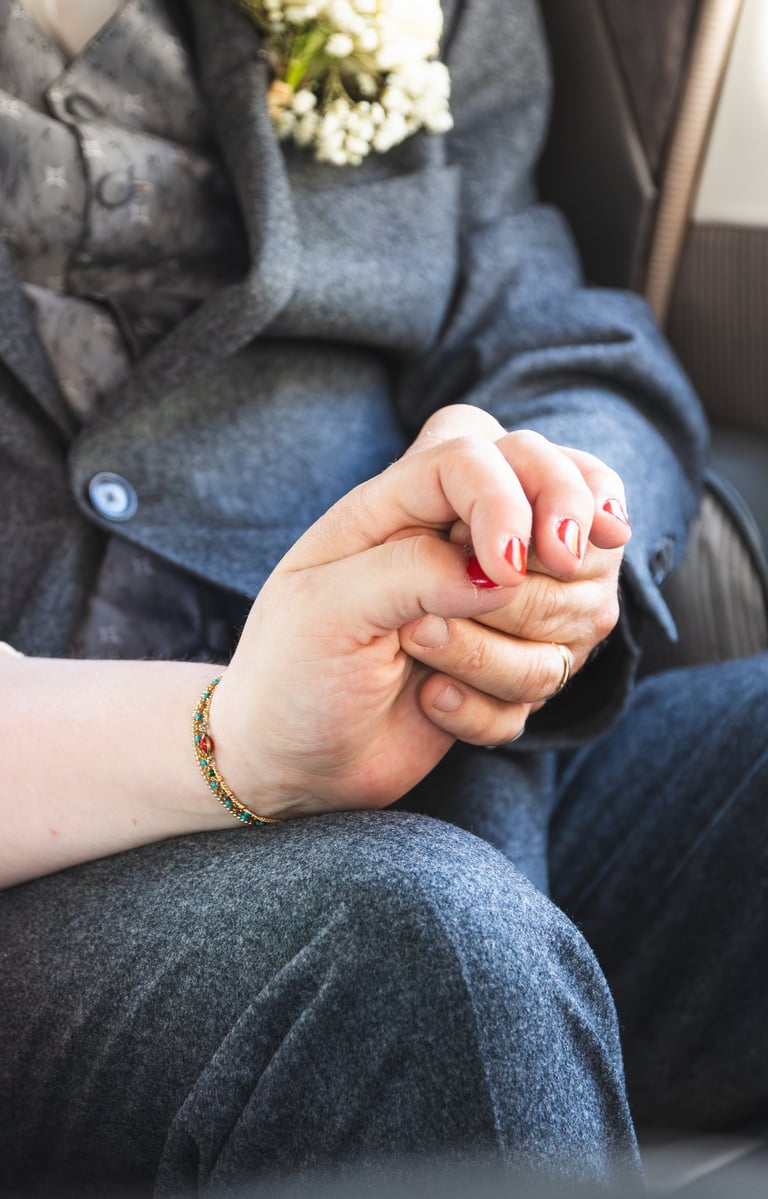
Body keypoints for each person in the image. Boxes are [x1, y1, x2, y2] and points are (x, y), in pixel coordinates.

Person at [1, 0, 766, 1195]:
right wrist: (234, 736)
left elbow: (556, 337)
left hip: (457, 755)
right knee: (425, 952)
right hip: (52, 866)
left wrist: (547, 511)